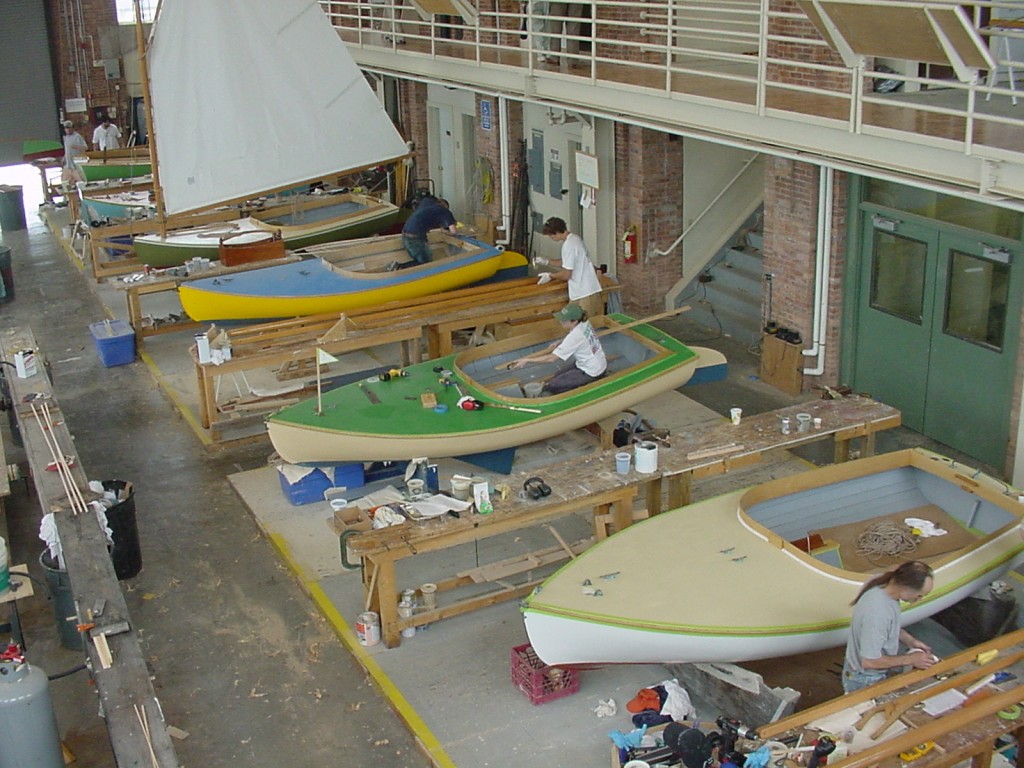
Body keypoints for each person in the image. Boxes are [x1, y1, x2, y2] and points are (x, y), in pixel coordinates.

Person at [842, 561, 937, 693]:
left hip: (866, 671)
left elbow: (888, 627)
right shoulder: (878, 613)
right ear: (905, 587)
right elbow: (869, 661)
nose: (919, 599)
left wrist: (910, 641)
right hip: (864, 678)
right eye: (919, 595)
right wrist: (911, 659)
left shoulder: (883, 584)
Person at [511, 303, 606, 394]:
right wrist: (560, 342)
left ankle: (585, 387)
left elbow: (551, 358)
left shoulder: (575, 336)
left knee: (553, 385)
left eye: (564, 320)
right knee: (557, 375)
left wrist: (527, 360)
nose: (560, 322)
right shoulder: (584, 322)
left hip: (592, 371)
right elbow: (576, 338)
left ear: (574, 321)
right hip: (595, 361)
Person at [536, 216, 603, 318]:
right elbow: (567, 262)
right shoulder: (574, 239)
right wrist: (546, 261)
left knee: (583, 324)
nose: (551, 238)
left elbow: (566, 274)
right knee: (570, 320)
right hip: (579, 291)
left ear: (558, 232)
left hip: (585, 291)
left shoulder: (569, 245)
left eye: (552, 236)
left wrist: (550, 276)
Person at [401, 196, 457, 264]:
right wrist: (450, 231)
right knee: (425, 263)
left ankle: (399, 267)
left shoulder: (427, 201)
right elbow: (453, 231)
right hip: (415, 238)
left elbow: (427, 217)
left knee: (419, 260)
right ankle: (399, 267)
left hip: (405, 233)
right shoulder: (444, 211)